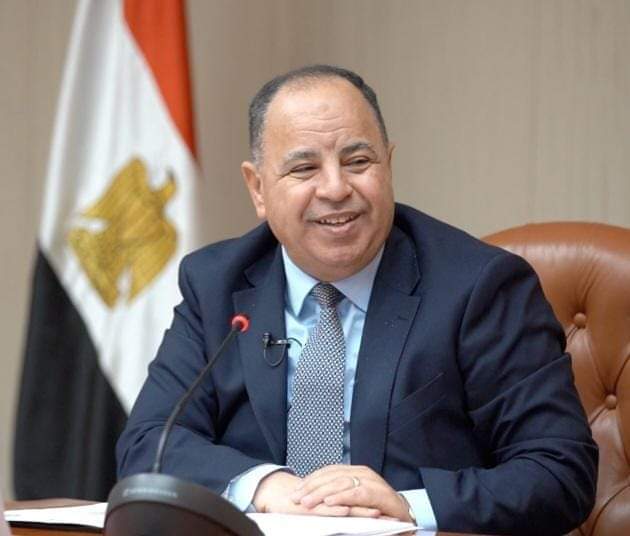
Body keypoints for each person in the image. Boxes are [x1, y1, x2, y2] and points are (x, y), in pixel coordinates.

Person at [117, 65, 597, 534]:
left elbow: (558, 471)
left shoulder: (479, 287)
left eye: (358, 161)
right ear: (258, 188)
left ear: (388, 165)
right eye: (304, 168)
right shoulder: (215, 283)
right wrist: (265, 485)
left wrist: (408, 506)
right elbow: (148, 444)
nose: (335, 188)